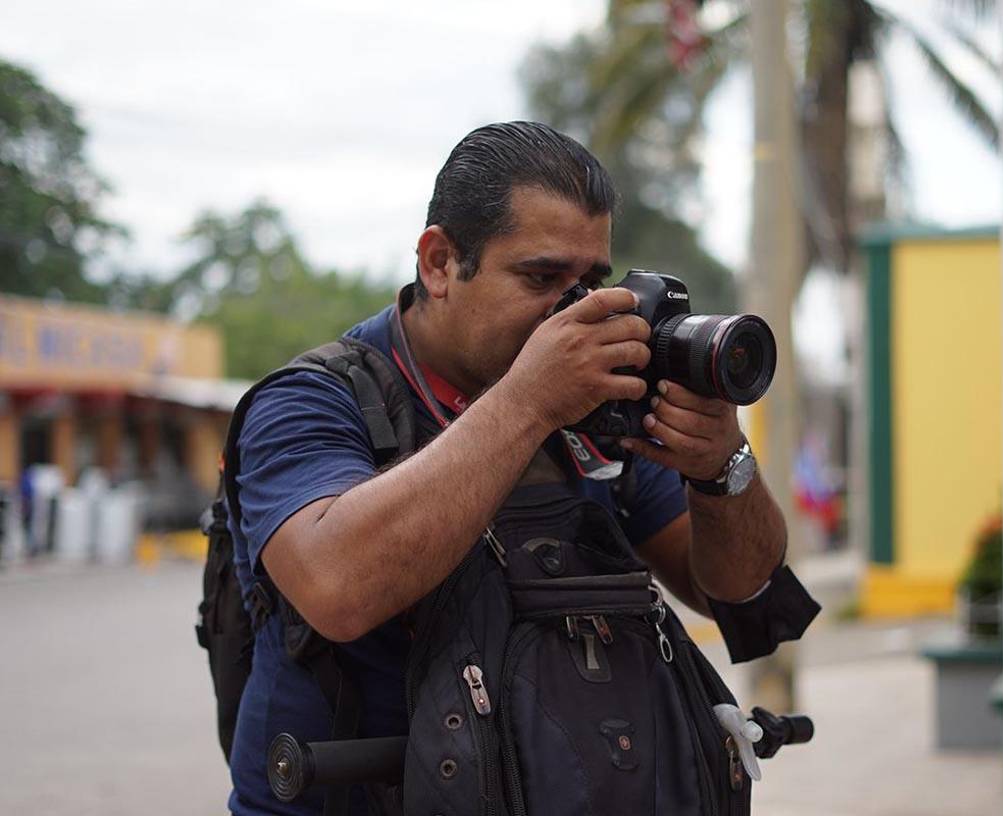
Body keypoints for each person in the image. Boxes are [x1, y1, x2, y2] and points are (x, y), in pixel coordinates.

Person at [226, 121, 792, 815]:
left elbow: (733, 591)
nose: (573, 309)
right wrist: (529, 401)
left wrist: (720, 468)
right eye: (541, 277)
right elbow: (337, 586)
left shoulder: (598, 406)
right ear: (439, 263)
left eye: (590, 280)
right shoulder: (311, 400)